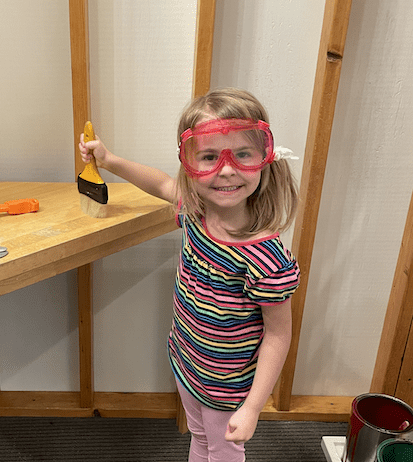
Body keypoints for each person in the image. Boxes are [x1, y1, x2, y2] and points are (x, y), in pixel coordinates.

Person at [79, 88, 301, 462]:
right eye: (210, 157)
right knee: (200, 440)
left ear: (264, 158)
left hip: (227, 389)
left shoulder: (266, 258)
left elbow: (279, 334)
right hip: (187, 362)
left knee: (224, 453)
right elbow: (163, 184)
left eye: (242, 154)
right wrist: (110, 159)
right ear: (190, 164)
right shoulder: (196, 213)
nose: (226, 169)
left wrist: (253, 408)